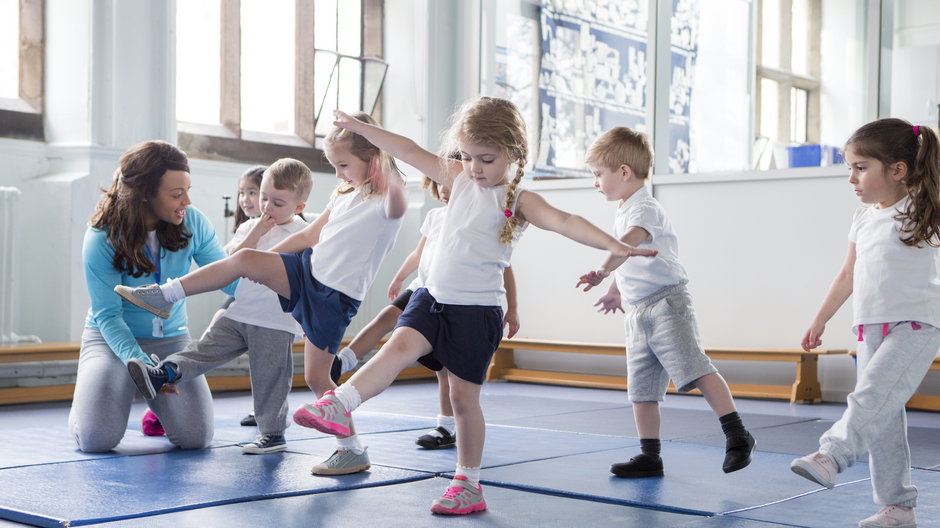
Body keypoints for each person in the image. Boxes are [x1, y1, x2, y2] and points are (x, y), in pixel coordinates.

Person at [291, 97, 656, 515]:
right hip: (432, 298)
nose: (474, 167)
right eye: (466, 156)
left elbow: (566, 221)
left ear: (513, 154)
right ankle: (340, 404)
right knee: (396, 348)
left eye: (486, 158)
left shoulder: (517, 200)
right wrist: (363, 129)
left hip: (476, 312)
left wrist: (614, 246)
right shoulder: (458, 178)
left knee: (464, 401)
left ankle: (468, 482)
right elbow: (407, 149)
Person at [115, 112, 407, 475]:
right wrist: (261, 262)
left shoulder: (387, 201)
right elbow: (306, 237)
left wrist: (376, 144)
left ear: (374, 160)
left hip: (334, 296)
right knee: (245, 260)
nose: (338, 174)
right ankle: (163, 296)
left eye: (343, 164)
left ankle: (352, 450)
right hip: (306, 273)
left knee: (318, 379)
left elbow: (396, 196)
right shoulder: (344, 193)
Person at [575, 127, 756, 480]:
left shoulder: (646, 208)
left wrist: (600, 270)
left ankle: (737, 434)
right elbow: (630, 257)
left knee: (695, 367)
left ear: (624, 171)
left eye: (599, 174)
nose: (595, 182)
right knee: (641, 388)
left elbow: (626, 245)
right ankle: (649, 455)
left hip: (666, 305)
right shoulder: (626, 207)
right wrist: (615, 289)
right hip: (638, 310)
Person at [790, 119, 940, 528]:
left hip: (916, 325)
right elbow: (848, 274)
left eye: (861, 167)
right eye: (849, 168)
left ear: (897, 170)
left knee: (870, 398)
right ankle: (898, 508)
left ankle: (832, 455)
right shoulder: (862, 218)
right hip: (870, 327)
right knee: (885, 419)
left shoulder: (924, 209)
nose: (852, 178)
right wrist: (820, 318)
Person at [126, 159, 311, 455]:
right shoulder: (250, 227)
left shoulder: (304, 233)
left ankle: (273, 433)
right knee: (204, 348)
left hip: (276, 319)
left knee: (269, 377)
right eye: (263, 198)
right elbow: (231, 263)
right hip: (240, 311)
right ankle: (162, 373)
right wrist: (258, 230)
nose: (266, 207)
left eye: (277, 203)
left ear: (298, 207)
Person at [70, 140, 235, 453]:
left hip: (172, 340)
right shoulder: (102, 237)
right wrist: (145, 368)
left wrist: (277, 293)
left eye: (187, 190)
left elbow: (227, 277)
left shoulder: (193, 222)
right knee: (96, 440)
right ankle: (87, 407)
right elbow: (108, 315)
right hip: (111, 339)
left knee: (196, 437)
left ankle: (158, 409)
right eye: (176, 194)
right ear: (145, 193)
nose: (186, 200)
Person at [333, 177, 520, 450]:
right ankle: (344, 361)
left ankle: (445, 426)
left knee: (445, 369)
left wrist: (513, 308)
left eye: (451, 185)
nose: (444, 190)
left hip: (455, 298)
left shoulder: (480, 221)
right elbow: (419, 254)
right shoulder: (435, 216)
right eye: (441, 185)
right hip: (422, 288)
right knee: (386, 317)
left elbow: (505, 267)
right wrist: (399, 277)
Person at [142, 165, 268, 436]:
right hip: (242, 294)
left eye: (253, 192)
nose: (245, 199)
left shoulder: (289, 227)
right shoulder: (246, 227)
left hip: (268, 301)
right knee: (213, 332)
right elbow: (227, 262)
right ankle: (163, 398)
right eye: (242, 192)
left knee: (266, 353)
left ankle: (265, 410)